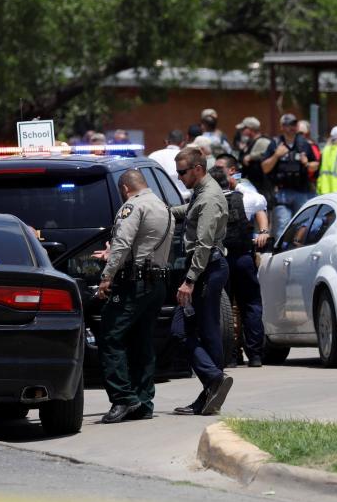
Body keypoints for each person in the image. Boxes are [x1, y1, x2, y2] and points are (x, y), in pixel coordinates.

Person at [93, 169, 173, 423]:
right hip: (157, 283)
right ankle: (143, 401)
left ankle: (123, 398)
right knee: (142, 341)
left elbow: (123, 243)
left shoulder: (132, 207)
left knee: (109, 335)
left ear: (125, 189)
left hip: (134, 283)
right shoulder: (163, 206)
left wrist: (106, 277)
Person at [170, 147, 233, 416]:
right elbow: (189, 210)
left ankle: (213, 379)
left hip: (207, 268)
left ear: (197, 169)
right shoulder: (202, 193)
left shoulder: (209, 198)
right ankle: (210, 391)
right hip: (208, 268)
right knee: (207, 333)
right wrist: (166, 212)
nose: (179, 177)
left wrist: (190, 280)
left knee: (181, 330)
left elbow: (204, 244)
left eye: (183, 172)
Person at [209, 165, 264, 368]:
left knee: (223, 309)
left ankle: (230, 356)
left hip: (219, 261)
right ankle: (256, 355)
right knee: (250, 305)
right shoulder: (247, 198)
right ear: (229, 181)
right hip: (243, 259)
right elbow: (262, 203)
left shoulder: (209, 201)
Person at [261, 113, 318, 238]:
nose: (290, 128)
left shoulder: (304, 144)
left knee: (303, 226)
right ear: (282, 127)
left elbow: (316, 165)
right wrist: (276, 155)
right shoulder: (275, 144)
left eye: (293, 124)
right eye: (287, 125)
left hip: (302, 192)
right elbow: (265, 168)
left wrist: (307, 163)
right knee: (282, 225)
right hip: (282, 193)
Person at [148, 129, 190, 198]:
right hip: (183, 201)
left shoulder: (152, 156)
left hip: (158, 200)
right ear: (182, 143)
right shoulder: (187, 156)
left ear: (167, 142)